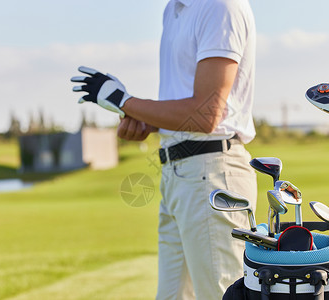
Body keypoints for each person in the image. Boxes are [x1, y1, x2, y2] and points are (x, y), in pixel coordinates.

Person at [71, 0, 257, 298]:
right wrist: (146, 121)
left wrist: (123, 101)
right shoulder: (173, 9)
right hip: (178, 175)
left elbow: (207, 114)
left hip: (211, 174)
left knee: (220, 294)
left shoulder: (220, 5)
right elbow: (187, 105)